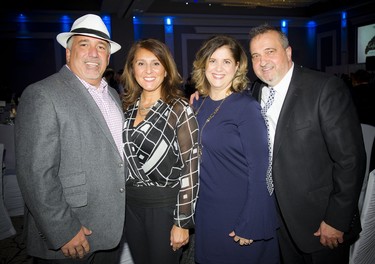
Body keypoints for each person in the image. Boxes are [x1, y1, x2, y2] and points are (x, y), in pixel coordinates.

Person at [248, 24, 366, 264]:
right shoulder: (256, 91)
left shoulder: (324, 88)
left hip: (320, 222)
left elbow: (350, 159)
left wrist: (337, 220)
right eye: (255, 56)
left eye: (270, 51)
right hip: (277, 218)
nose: (263, 61)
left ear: (288, 52)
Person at [15, 14, 128, 263]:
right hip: (72, 234)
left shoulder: (112, 95)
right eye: (84, 44)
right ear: (68, 53)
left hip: (109, 229)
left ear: (108, 57)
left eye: (101, 47)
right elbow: (35, 173)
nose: (93, 53)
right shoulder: (42, 94)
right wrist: (63, 230)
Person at [191, 35, 279, 264]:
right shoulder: (197, 105)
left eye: (226, 61)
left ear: (237, 66)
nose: (218, 68)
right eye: (212, 61)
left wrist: (252, 221)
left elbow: (260, 169)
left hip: (239, 210)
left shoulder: (247, 108)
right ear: (203, 64)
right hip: (207, 210)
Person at [121, 38, 199, 264]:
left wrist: (182, 221)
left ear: (166, 69)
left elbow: (191, 167)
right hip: (131, 206)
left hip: (165, 209)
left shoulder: (179, 109)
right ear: (132, 69)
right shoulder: (127, 107)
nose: (148, 70)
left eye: (156, 63)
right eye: (141, 63)